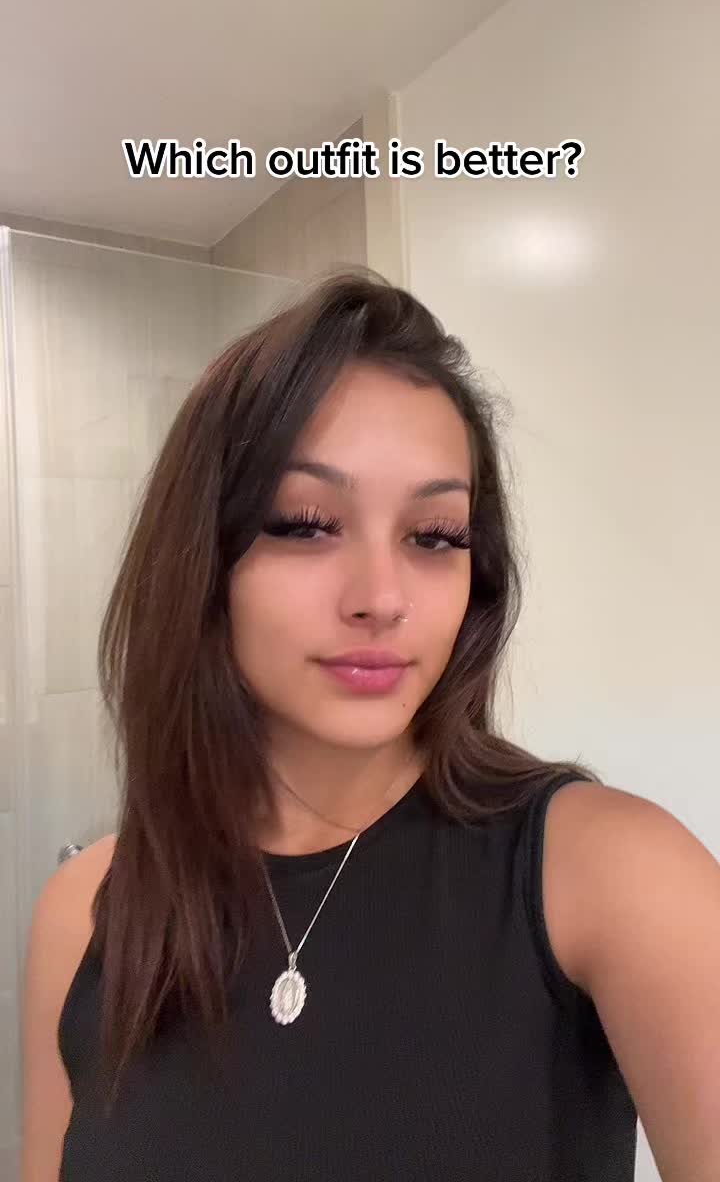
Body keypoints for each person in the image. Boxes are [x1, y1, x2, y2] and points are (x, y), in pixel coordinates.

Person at [21, 268, 638, 1180]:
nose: (382, 598)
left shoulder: (604, 872)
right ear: (204, 560)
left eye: (435, 537)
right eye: (305, 523)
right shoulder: (85, 911)